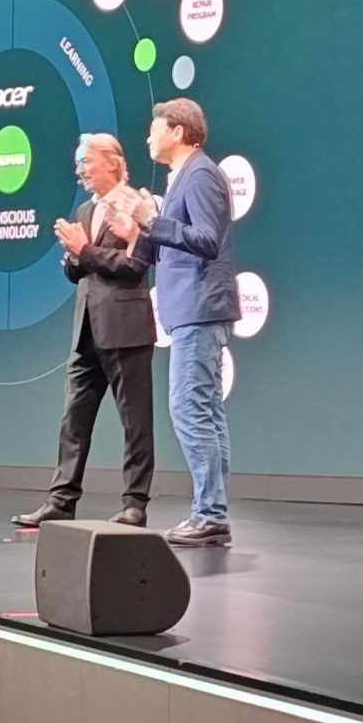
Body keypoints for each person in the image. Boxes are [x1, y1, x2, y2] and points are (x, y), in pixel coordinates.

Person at [15, 134, 156, 531]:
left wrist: (86, 251)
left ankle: (135, 504)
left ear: (111, 162)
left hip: (125, 328)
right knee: (73, 421)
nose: (79, 169)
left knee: (136, 423)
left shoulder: (136, 205)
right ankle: (60, 501)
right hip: (86, 331)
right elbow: (78, 271)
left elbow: (136, 265)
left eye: (86, 160)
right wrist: (73, 256)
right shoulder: (84, 209)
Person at [128, 97, 238, 548]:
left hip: (199, 309)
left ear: (177, 131)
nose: (147, 137)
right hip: (192, 310)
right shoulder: (183, 178)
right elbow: (172, 243)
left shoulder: (200, 174)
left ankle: (209, 513)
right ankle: (212, 512)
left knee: (191, 409)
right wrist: (141, 227)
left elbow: (207, 239)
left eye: (154, 129)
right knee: (205, 411)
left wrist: (153, 221)